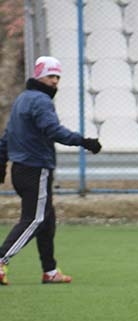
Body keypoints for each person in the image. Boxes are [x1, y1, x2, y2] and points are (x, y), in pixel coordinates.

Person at [0, 56, 102, 286]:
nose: (55, 81)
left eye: (57, 76)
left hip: (21, 169)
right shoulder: (41, 101)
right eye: (50, 76)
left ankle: (50, 271)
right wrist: (85, 142)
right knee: (35, 219)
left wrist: (2, 163)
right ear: (39, 76)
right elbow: (53, 130)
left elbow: (7, 137)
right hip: (36, 169)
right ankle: (1, 258)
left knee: (47, 220)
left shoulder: (22, 100)